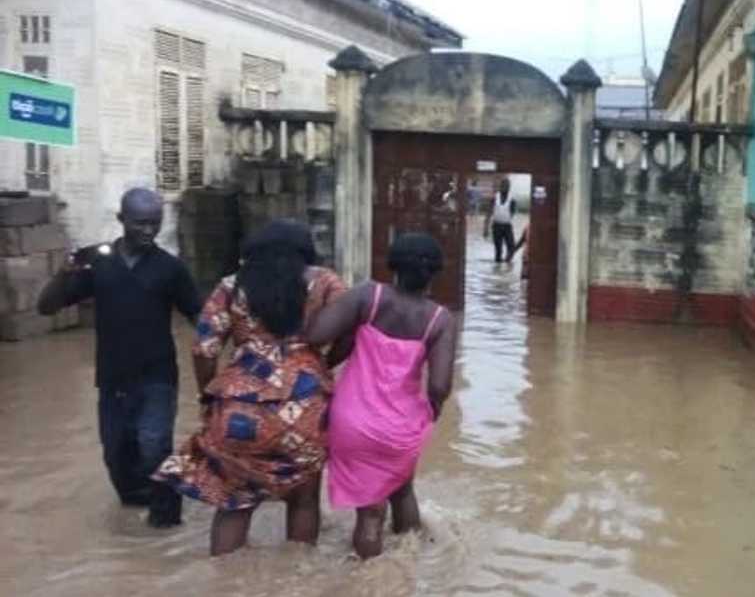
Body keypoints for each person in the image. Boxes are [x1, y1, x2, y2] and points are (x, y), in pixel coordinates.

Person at [152, 220, 349, 555]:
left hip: (238, 408)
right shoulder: (325, 283)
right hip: (306, 407)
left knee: (234, 502)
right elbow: (352, 330)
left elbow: (204, 349)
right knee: (303, 500)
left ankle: (225, 583)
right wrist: (322, 366)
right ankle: (298, 582)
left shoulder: (231, 286)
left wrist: (207, 395)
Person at [37, 187, 201, 528]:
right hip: (112, 378)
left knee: (155, 447)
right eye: (140, 223)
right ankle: (130, 519)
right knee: (117, 455)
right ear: (121, 220)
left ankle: (166, 522)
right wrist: (66, 272)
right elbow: (46, 307)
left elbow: (199, 318)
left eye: (155, 223)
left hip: (158, 377)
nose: (149, 230)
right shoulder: (98, 264)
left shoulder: (170, 269)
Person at [306, 232, 457, 559]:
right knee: (402, 490)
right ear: (433, 273)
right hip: (401, 426)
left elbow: (316, 335)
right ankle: (411, 562)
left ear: (393, 266)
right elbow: (440, 386)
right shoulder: (439, 319)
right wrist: (429, 413)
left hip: (351, 421)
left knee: (369, 513)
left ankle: (368, 581)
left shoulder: (367, 297)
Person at [483, 178, 517, 262]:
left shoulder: (512, 199)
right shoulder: (495, 197)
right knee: (498, 250)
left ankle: (507, 262)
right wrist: (485, 228)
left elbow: (512, 214)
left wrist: (505, 218)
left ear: (509, 187)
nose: (506, 187)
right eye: (504, 185)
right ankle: (498, 266)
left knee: (511, 246)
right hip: (496, 226)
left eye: (508, 186)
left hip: (507, 226)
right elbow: (488, 213)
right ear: (501, 186)